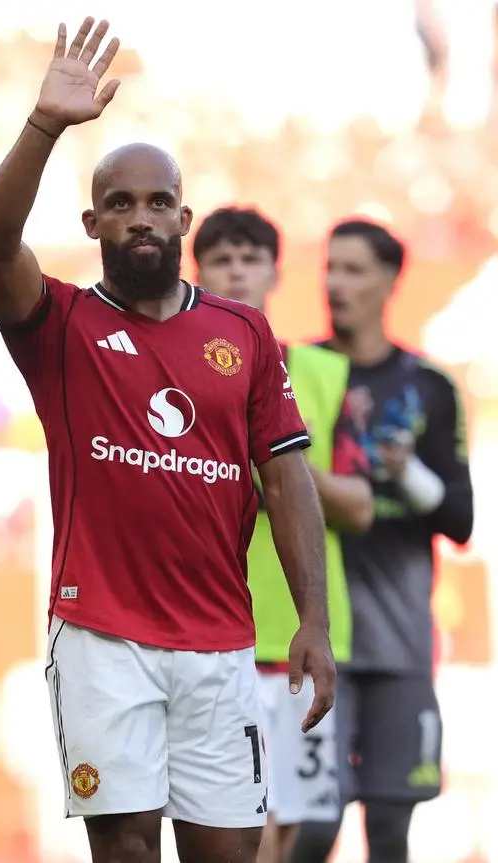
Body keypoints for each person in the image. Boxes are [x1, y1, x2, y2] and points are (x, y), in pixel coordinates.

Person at [0, 18, 338, 863]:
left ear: (184, 217)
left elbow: (285, 480)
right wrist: (45, 127)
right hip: (103, 638)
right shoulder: (59, 324)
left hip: (219, 641)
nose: (142, 218)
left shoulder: (242, 333)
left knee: (228, 853)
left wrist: (311, 617)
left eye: (158, 202)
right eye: (122, 204)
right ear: (93, 221)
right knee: (128, 849)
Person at [193, 208, 374, 863]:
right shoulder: (180, 373)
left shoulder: (326, 376)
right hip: (214, 631)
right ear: (197, 274)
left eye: (249, 257)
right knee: (244, 821)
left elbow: (359, 504)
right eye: (220, 258)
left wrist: (281, 465)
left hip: (305, 631)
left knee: (299, 829)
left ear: (275, 271)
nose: (236, 270)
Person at [290, 220, 474, 863]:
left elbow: (461, 519)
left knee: (392, 828)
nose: (336, 284)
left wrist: (409, 477)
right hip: (317, 641)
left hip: (399, 642)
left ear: (391, 280)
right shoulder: (296, 374)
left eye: (355, 270)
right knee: (310, 831)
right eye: (330, 268)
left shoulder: (429, 387)